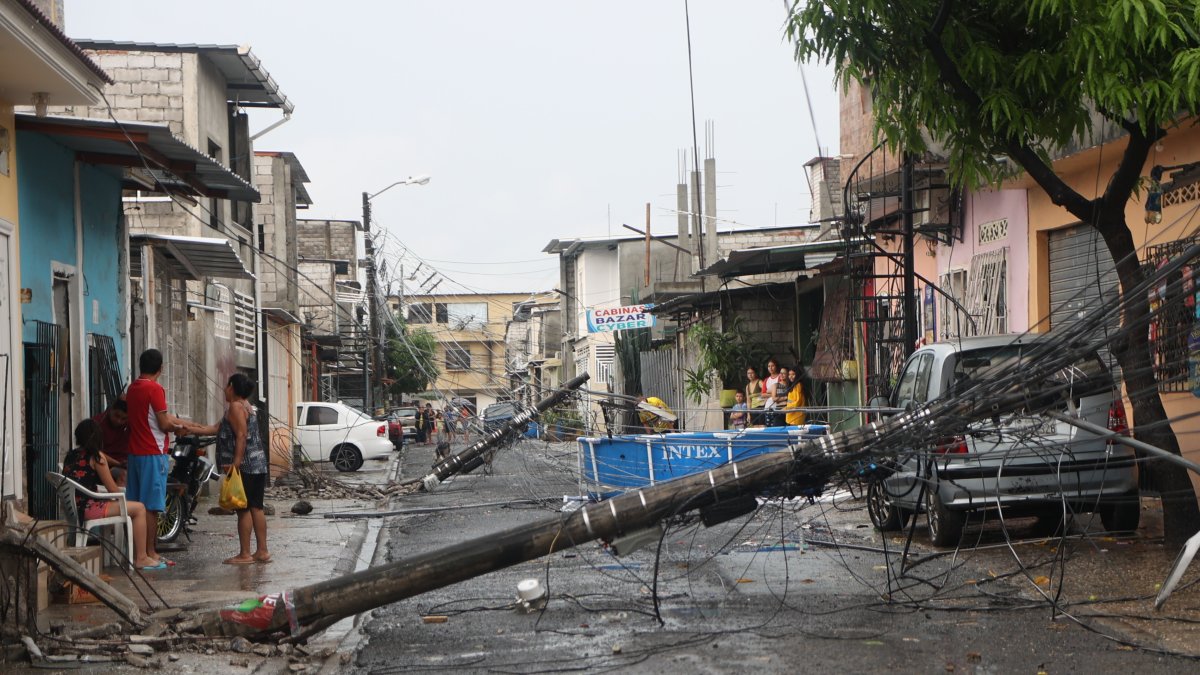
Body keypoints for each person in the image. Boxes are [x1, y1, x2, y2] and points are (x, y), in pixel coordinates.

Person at [184, 373, 270, 565]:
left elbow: (241, 435)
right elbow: (216, 428)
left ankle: (245, 554)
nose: (224, 390)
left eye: (226, 386)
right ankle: (262, 551)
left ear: (232, 387)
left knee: (244, 509)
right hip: (258, 464)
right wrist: (189, 428)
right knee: (256, 507)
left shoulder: (235, 407)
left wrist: (236, 463)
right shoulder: (247, 405)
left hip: (245, 466)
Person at [62, 419, 160, 570]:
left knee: (129, 506)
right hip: (90, 508)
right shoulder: (96, 458)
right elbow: (113, 489)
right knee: (139, 508)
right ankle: (141, 557)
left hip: (74, 508)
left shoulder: (71, 456)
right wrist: (124, 495)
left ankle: (137, 556)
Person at [126, 348, 190, 569]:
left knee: (136, 507)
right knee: (152, 507)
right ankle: (149, 553)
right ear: (160, 369)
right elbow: (163, 424)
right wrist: (178, 428)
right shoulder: (155, 389)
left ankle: (138, 553)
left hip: (134, 454)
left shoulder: (132, 388)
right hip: (153, 453)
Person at [91, 400, 130, 483]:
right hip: (103, 465)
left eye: (123, 419)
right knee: (124, 475)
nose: (119, 421)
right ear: (110, 410)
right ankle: (117, 496)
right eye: (116, 416)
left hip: (125, 464)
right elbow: (95, 452)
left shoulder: (129, 426)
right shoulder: (97, 423)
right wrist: (118, 464)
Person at [763, 358, 783, 426]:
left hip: (778, 407)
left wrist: (769, 392)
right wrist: (773, 394)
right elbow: (763, 394)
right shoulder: (766, 380)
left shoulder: (780, 377)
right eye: (769, 366)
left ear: (776, 366)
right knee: (768, 427)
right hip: (768, 406)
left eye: (772, 366)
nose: (770, 368)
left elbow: (781, 392)